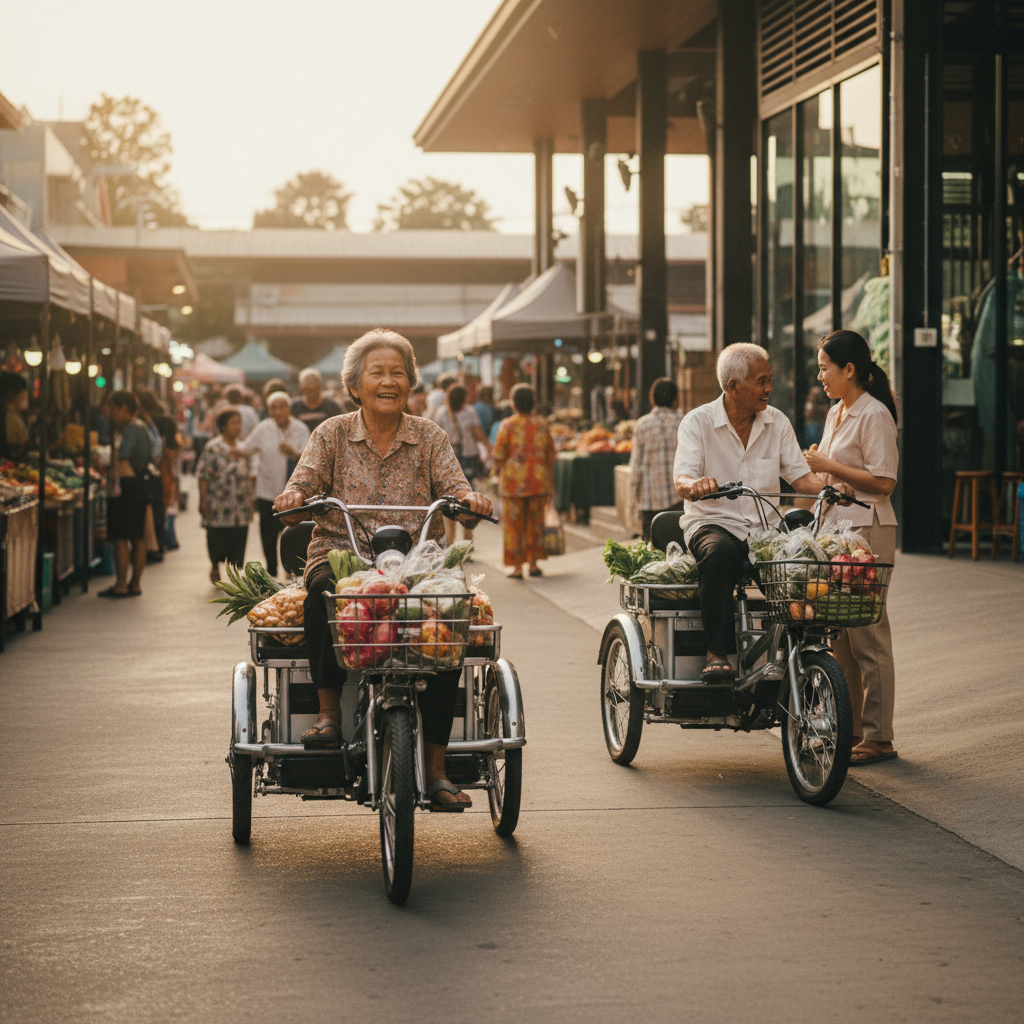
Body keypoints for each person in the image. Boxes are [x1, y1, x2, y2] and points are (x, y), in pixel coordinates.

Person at [274, 328, 493, 810]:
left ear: (411, 384)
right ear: (355, 385)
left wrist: (469, 500)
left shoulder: (430, 436)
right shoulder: (329, 434)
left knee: (444, 616)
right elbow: (301, 487)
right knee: (324, 593)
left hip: (417, 565)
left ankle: (435, 770)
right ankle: (329, 716)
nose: (389, 381)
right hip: (342, 552)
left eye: (398, 372)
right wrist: (293, 498)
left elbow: (458, 491)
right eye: (378, 372)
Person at [673, 343, 842, 681]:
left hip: (764, 527)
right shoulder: (698, 423)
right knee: (719, 554)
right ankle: (717, 653)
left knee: (797, 564)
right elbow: (682, 478)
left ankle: (798, 650)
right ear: (733, 386)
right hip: (713, 522)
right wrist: (696, 485)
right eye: (761, 381)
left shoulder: (776, 421)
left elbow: (801, 478)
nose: (769, 388)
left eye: (770, 380)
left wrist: (830, 488)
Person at [804, 329, 900, 765]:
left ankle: (879, 737)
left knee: (869, 635)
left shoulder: (874, 415)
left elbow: (883, 482)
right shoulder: (836, 412)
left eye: (825, 368)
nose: (820, 375)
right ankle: (851, 731)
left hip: (868, 532)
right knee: (840, 636)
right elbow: (831, 477)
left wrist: (828, 465)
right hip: (838, 531)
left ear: (849, 370)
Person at [233, 392, 310, 577]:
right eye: (273, 408)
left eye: (281, 407)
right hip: (267, 492)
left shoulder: (300, 429)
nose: (277, 411)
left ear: (288, 409)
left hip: (294, 495)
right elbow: (245, 448)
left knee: (294, 534)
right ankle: (272, 570)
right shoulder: (263, 428)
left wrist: (293, 452)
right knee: (267, 535)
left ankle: (292, 570)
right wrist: (227, 442)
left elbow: (311, 459)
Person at [491, 383, 555, 579]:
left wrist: (496, 473)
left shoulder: (507, 426)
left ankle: (518, 567)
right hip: (538, 481)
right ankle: (533, 565)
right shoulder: (542, 425)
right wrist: (551, 484)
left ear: (513, 404)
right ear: (533, 403)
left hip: (513, 485)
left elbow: (499, 454)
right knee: (535, 524)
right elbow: (550, 455)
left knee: (514, 526)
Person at [99, 391, 152, 598]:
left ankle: (121, 584)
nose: (111, 413)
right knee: (138, 536)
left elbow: (122, 457)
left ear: (122, 408)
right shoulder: (141, 427)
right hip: (139, 485)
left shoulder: (130, 430)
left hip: (126, 487)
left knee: (121, 536)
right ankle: (135, 583)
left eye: (113, 408)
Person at [196, 407, 254, 584]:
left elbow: (250, 475)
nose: (237, 427)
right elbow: (203, 475)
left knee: (239, 537)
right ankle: (214, 565)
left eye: (239, 423)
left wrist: (251, 499)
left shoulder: (245, 448)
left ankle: (236, 573)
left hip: (240, 503)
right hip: (218, 502)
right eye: (233, 423)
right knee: (216, 536)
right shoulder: (213, 447)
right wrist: (203, 499)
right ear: (223, 426)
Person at [431, 383, 491, 543]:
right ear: (464, 398)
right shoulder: (470, 411)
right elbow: (478, 433)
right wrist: (488, 449)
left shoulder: (441, 413)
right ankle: (467, 540)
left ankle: (451, 541)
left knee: (450, 501)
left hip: (448, 461)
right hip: (468, 460)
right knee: (469, 499)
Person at [629, 377, 684, 541]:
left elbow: (636, 467)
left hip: (649, 502)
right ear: (675, 399)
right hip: (679, 500)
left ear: (652, 399)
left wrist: (632, 501)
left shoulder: (642, 424)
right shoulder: (684, 422)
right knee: (679, 552)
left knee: (651, 554)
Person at [291, 368, 343, 433]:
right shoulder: (293, 407)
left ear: (320, 387)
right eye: (308, 390)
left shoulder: (332, 406)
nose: (311, 394)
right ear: (302, 389)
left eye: (314, 389)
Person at [0, 371, 29, 458]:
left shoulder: (12, 416)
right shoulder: (11, 418)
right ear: (12, 394)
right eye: (23, 393)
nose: (25, 397)